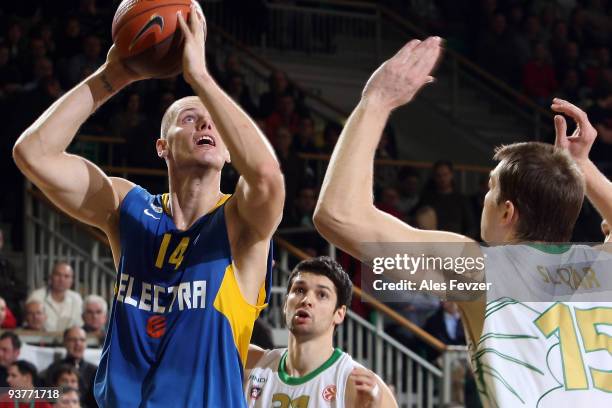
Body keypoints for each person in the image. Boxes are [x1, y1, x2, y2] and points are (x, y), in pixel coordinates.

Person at [313, 36, 612, 407]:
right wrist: (583, 167)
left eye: (490, 188)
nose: (483, 199)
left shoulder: (480, 269)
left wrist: (375, 102)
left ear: (507, 212)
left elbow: (338, 215)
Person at [12, 2, 284, 407]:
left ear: (228, 152)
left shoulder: (240, 222)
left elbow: (265, 175)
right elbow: (33, 153)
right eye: (190, 118)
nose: (206, 123)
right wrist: (115, 74)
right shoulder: (130, 208)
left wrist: (201, 78)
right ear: (162, 147)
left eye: (213, 121)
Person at [244, 257, 396, 407]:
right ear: (285, 305)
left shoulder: (356, 385)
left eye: (322, 294)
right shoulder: (251, 363)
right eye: (299, 290)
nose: (306, 300)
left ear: (339, 313)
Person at [44, 327, 96, 408]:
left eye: (82, 340)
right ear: (65, 342)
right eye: (73, 340)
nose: (78, 343)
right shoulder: (53, 369)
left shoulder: (95, 371)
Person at [27, 261, 83, 332]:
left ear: (71, 280)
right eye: (58, 275)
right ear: (51, 277)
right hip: (41, 339)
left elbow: (80, 324)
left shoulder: (77, 298)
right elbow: (28, 323)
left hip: (70, 340)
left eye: (66, 276)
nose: (62, 279)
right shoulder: (36, 296)